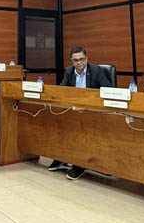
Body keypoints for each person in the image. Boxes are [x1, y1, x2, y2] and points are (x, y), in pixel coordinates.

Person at [48, 46, 112, 180]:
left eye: (81, 59)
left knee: (78, 128)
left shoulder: (96, 71)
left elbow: (108, 90)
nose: (79, 63)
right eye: (76, 60)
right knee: (57, 122)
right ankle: (61, 157)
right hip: (74, 110)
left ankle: (78, 165)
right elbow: (61, 90)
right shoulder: (69, 71)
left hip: (92, 111)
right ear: (72, 61)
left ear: (87, 59)